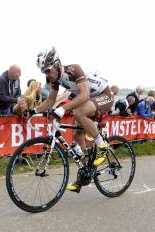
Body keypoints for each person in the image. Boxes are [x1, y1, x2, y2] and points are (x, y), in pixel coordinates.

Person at [34, 47, 114, 193]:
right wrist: (34, 111)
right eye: (43, 71)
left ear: (57, 64)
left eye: (47, 70)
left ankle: (103, 146)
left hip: (104, 95)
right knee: (77, 136)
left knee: (78, 113)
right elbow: (51, 100)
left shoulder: (74, 69)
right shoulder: (53, 78)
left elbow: (84, 95)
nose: (46, 75)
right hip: (90, 99)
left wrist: (63, 109)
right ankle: (85, 174)